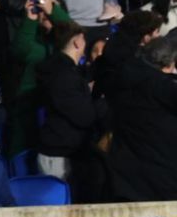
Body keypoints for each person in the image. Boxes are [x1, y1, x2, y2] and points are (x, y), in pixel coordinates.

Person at [35, 20, 102, 194]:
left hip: (64, 151)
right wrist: (96, 101)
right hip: (59, 154)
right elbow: (84, 116)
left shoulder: (65, 71)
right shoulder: (64, 75)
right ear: (78, 41)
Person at [107, 36, 177, 202]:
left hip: (126, 177)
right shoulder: (163, 88)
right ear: (168, 64)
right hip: (162, 178)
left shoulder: (123, 78)